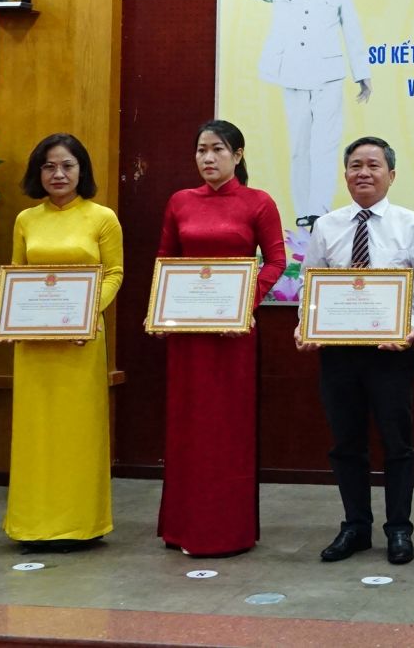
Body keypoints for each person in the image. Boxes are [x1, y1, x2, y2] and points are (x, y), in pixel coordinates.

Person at [299, 136, 414, 565]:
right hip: (338, 353)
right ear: (345, 174)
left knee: (397, 444)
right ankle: (355, 526)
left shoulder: (411, 224)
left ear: (391, 175)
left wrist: (411, 326)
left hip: (390, 352)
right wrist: (305, 324)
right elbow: (310, 283)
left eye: (373, 165)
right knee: (346, 443)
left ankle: (399, 528)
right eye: (355, 165)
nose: (363, 172)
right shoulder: (327, 226)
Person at [155, 120, 287, 557]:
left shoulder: (258, 202)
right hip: (188, 335)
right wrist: (165, 309)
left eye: (218, 150)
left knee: (226, 430)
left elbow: (276, 261)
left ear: (238, 155)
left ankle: (227, 530)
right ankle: (183, 527)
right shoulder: (180, 201)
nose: (208, 158)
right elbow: (165, 260)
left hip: (234, 335)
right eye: (201, 150)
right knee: (187, 426)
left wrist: (245, 303)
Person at [4, 133, 124, 552]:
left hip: (81, 341)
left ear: (81, 171)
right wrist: (15, 321)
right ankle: (32, 524)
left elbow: (114, 273)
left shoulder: (102, 217)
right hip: (34, 343)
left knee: (78, 432)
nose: (58, 174)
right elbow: (17, 274)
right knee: (36, 433)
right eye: (49, 166)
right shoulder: (26, 219)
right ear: (38, 172)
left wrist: (87, 315)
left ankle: (81, 523)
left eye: (67, 166)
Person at [231, 0, 370, 225]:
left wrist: (361, 72)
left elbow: (352, 28)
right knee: (299, 147)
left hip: (329, 76)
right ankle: (303, 212)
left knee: (326, 146)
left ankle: (319, 210)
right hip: (293, 75)